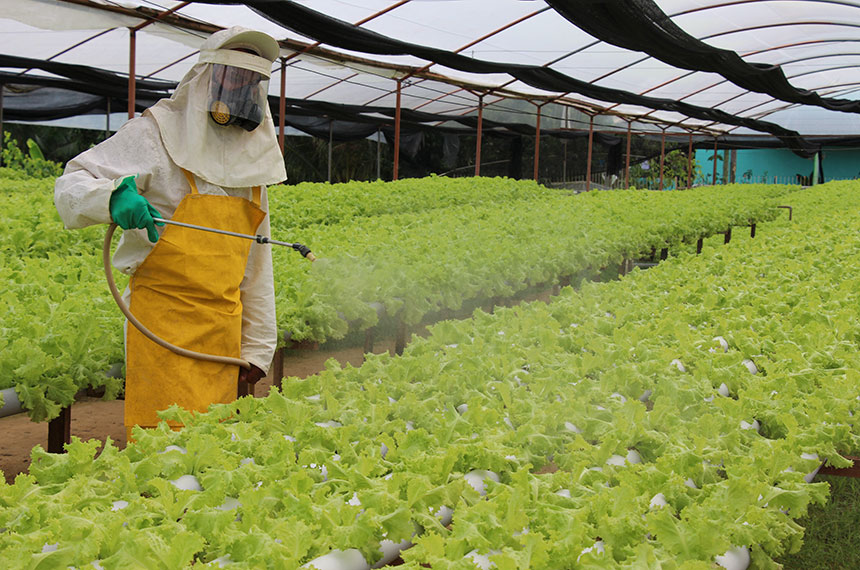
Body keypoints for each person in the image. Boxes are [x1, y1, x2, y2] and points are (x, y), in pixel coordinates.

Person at [54, 27, 286, 442]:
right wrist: (111, 197)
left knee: (212, 451)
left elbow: (256, 263)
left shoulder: (252, 161)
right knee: (160, 447)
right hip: (163, 327)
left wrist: (257, 347)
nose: (241, 87)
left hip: (222, 334)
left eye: (252, 79)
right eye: (233, 75)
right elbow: (72, 183)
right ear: (206, 75)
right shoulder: (155, 135)